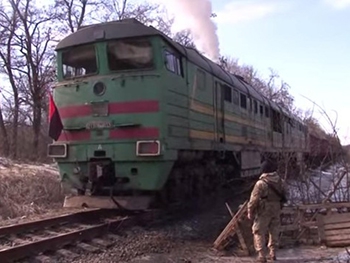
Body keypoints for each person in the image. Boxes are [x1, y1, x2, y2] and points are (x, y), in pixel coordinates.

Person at [247, 159, 287, 263]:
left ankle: (261, 256)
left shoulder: (260, 183)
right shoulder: (281, 181)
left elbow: (253, 200)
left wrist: (250, 211)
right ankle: (273, 253)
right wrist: (279, 206)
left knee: (258, 231)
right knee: (274, 231)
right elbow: (285, 196)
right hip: (276, 208)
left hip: (263, 210)